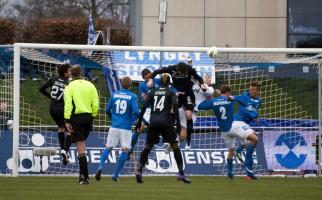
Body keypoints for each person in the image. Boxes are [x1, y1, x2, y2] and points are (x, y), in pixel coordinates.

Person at [135, 73, 191, 184]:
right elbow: (175, 109)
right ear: (169, 82)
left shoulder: (153, 91)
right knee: (175, 146)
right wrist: (178, 125)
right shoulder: (171, 92)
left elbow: (144, 106)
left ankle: (139, 170)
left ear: (159, 81)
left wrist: (139, 122)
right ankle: (181, 173)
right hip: (166, 122)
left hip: (154, 122)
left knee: (148, 146)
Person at [147, 62, 206, 153]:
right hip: (177, 93)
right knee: (170, 110)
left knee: (188, 114)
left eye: (185, 73)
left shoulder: (189, 69)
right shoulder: (171, 68)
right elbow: (157, 72)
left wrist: (202, 84)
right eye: (182, 73)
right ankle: (168, 134)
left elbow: (199, 78)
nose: (183, 74)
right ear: (177, 70)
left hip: (187, 94)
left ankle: (188, 137)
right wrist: (151, 79)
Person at [95, 76, 139, 182]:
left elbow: (107, 110)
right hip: (126, 128)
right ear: (130, 85)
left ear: (121, 83)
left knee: (108, 148)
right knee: (125, 150)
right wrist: (138, 119)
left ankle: (100, 167)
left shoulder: (114, 94)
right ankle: (115, 175)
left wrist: (112, 116)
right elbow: (136, 112)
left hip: (114, 126)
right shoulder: (132, 96)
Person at [64, 65, 99, 184]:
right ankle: (81, 175)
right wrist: (93, 115)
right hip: (88, 117)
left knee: (80, 148)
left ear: (71, 74)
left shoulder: (69, 86)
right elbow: (96, 103)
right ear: (81, 73)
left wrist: (66, 120)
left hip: (76, 118)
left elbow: (68, 104)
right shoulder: (90, 85)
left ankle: (85, 177)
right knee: (82, 145)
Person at [198, 85, 236, 179]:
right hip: (233, 127)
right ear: (228, 93)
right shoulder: (230, 100)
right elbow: (231, 98)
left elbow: (200, 106)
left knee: (231, 150)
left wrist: (208, 98)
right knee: (248, 141)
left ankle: (230, 173)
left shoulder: (214, 101)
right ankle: (240, 151)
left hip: (224, 130)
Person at [39, 64, 72, 165]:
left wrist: (50, 96)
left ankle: (63, 150)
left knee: (61, 128)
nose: (71, 72)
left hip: (52, 109)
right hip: (62, 109)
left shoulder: (54, 79)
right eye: (69, 71)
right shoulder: (68, 83)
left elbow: (41, 88)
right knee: (70, 131)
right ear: (65, 73)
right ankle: (65, 151)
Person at [229, 81, 262, 180]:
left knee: (249, 146)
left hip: (245, 125)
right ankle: (245, 162)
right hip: (238, 123)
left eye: (254, 89)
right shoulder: (244, 96)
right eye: (251, 89)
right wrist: (224, 95)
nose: (251, 91)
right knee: (255, 139)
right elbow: (232, 98)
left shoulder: (259, 100)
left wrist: (256, 117)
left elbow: (254, 110)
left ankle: (249, 175)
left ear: (258, 91)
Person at [178, 74, 214, 150]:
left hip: (195, 109)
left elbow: (209, 93)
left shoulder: (210, 88)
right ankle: (175, 139)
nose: (208, 79)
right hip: (185, 105)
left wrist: (201, 83)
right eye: (206, 77)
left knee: (188, 126)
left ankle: (187, 141)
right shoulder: (195, 84)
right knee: (180, 122)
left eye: (209, 79)